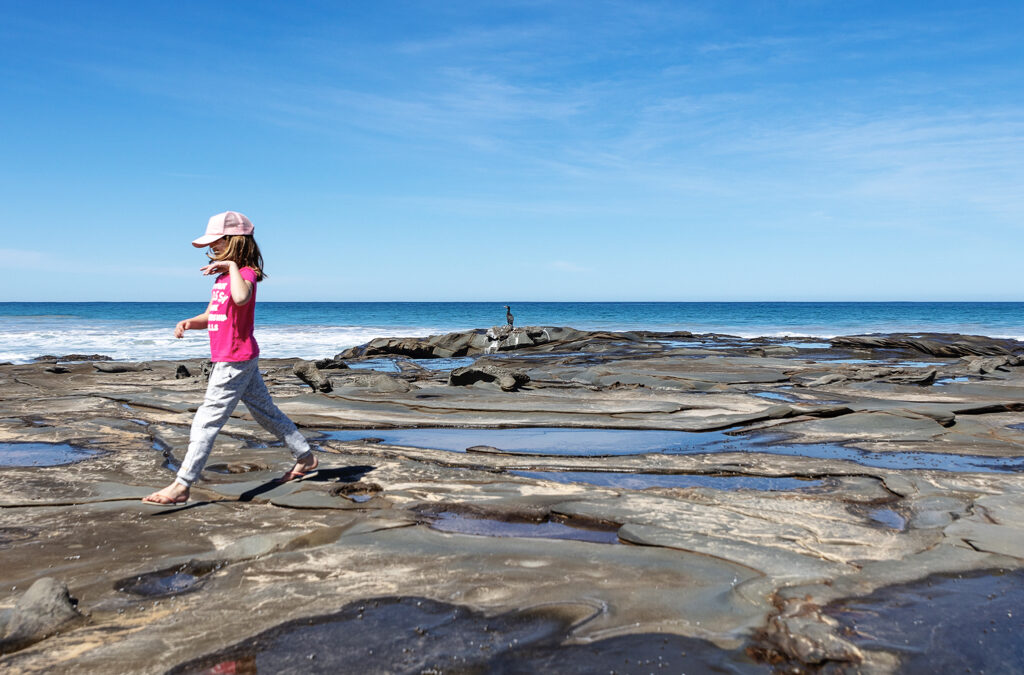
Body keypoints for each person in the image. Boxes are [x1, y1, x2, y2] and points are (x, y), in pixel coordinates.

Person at [143, 211, 318, 505]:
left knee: (205, 422)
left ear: (235, 242)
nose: (212, 248)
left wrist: (234, 266)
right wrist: (190, 322)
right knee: (266, 413)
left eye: (217, 242)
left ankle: (182, 484)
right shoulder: (224, 277)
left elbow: (241, 298)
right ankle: (306, 457)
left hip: (234, 359)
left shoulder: (244, 273)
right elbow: (215, 313)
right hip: (237, 357)